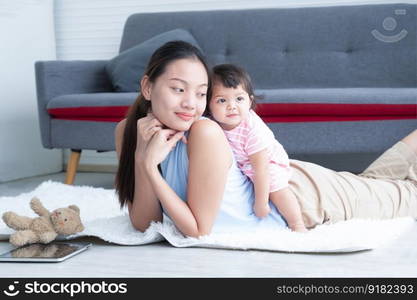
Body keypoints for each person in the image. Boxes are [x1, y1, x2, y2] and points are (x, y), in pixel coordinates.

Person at [115, 40, 417, 238]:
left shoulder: (203, 133)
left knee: (408, 196)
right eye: (178, 89)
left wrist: (148, 167)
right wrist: (144, 159)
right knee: (374, 183)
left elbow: (197, 231)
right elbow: (145, 224)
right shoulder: (129, 132)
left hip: (307, 198)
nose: (191, 104)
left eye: (201, 93)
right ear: (147, 87)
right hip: (292, 187)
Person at [207, 64, 307, 232]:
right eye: (222, 100)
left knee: (276, 189)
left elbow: (261, 169)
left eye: (239, 99)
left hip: (267, 163)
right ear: (208, 105)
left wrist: (261, 203)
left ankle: (297, 224)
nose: (232, 106)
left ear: (250, 101)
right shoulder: (209, 122)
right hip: (242, 162)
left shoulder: (253, 130)